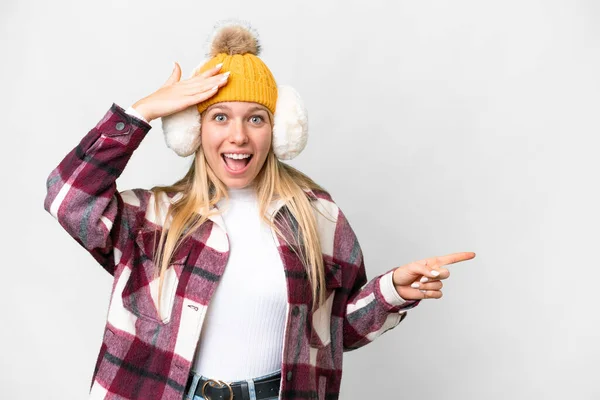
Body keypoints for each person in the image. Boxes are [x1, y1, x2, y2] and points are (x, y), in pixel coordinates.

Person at [44, 20, 475, 400]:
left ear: (278, 129)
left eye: (255, 118)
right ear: (192, 129)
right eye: (219, 118)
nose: (238, 137)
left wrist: (393, 290)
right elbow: (69, 198)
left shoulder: (318, 217)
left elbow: (337, 331)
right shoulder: (152, 218)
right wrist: (143, 112)